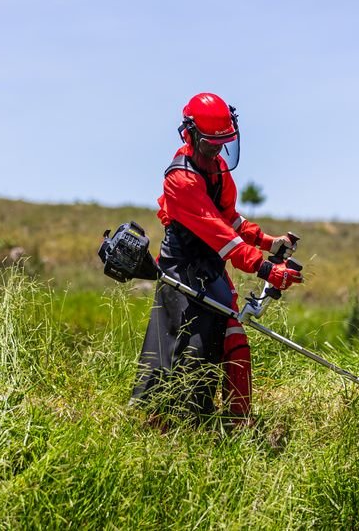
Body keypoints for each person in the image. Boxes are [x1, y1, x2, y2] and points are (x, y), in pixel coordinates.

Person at [130, 92, 304, 427]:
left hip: (211, 270)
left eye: (223, 143)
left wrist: (271, 242)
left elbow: (231, 221)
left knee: (235, 343)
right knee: (182, 360)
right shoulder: (181, 180)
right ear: (191, 135)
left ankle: (236, 427)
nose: (217, 151)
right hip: (181, 274)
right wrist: (267, 268)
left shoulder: (218, 169)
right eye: (210, 143)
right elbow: (223, 239)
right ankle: (167, 429)